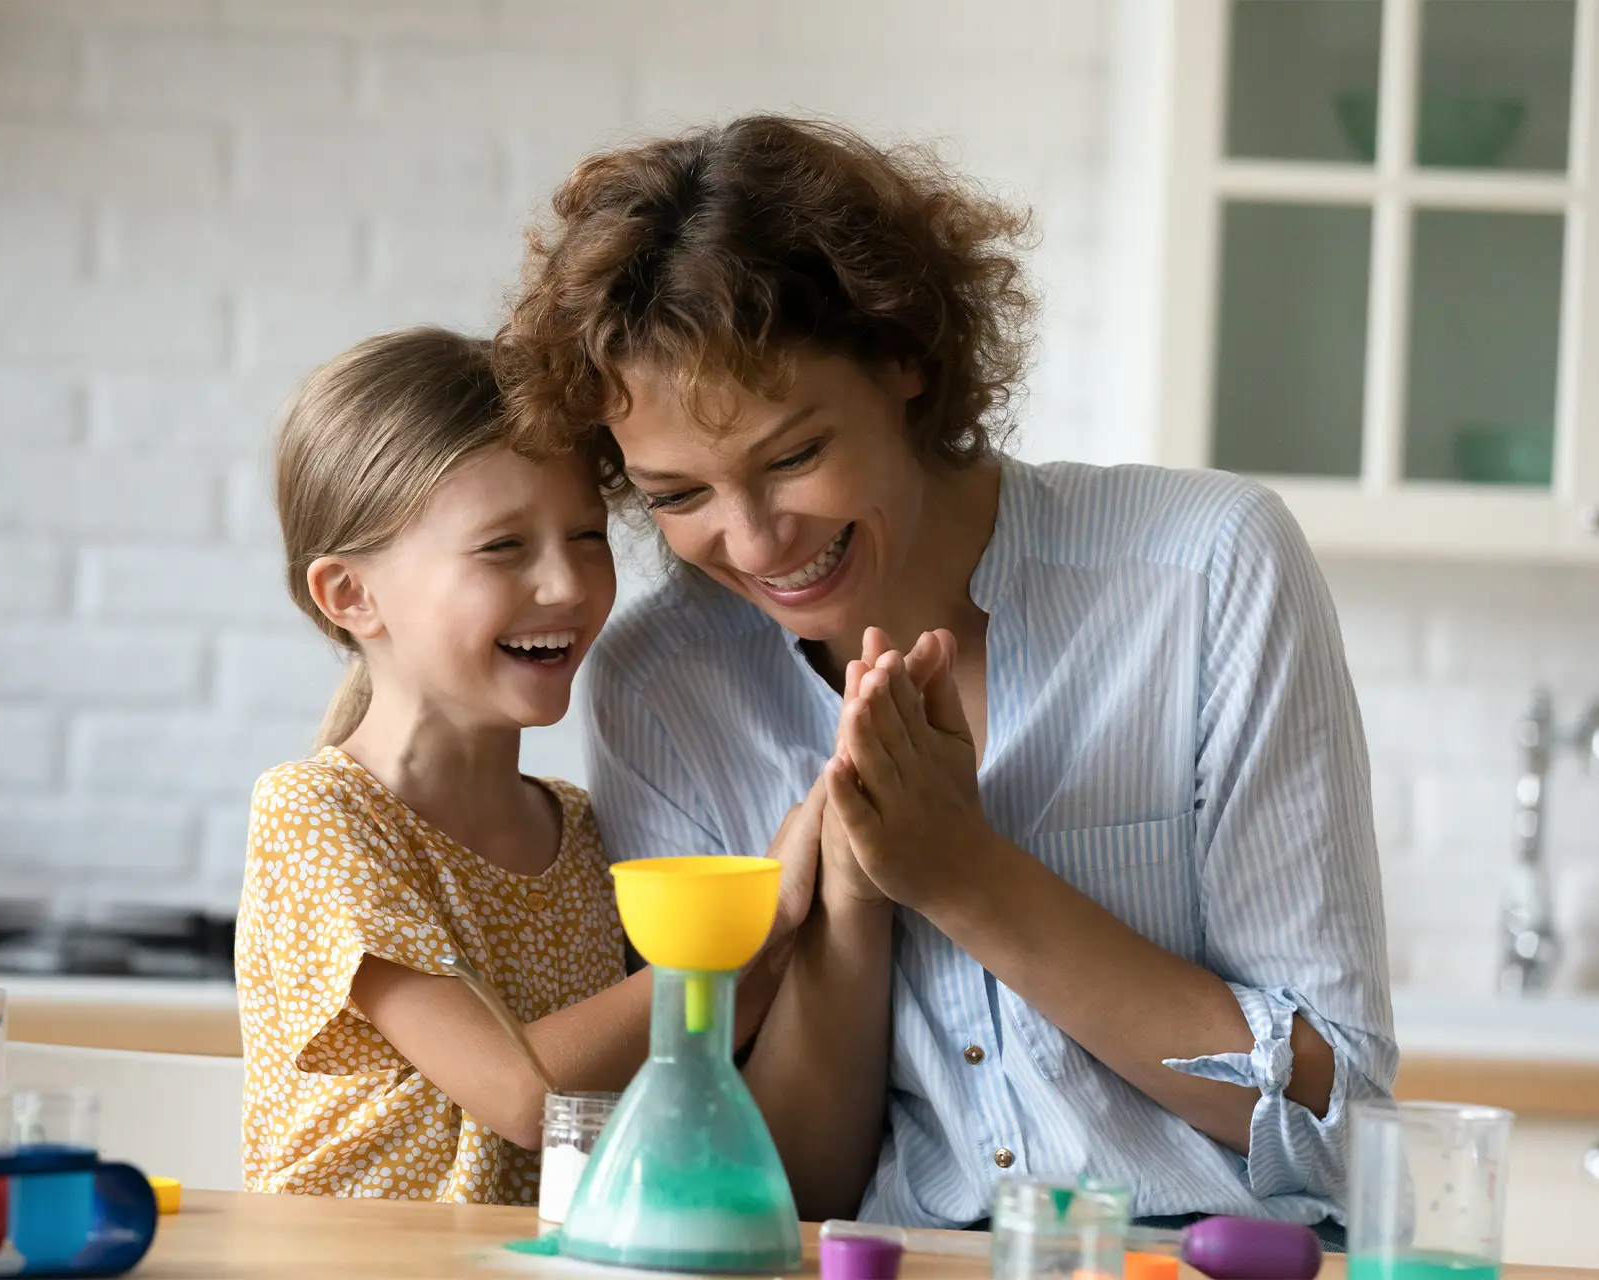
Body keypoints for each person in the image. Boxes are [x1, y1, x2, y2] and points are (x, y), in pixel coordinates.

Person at [494, 115, 1396, 1235]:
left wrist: (961, 871)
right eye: (678, 495)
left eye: (793, 456)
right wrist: (853, 904)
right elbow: (781, 1194)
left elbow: (1343, 1113)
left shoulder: (1204, 569)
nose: (757, 540)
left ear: (904, 355)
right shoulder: (665, 686)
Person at [234, 327, 816, 1200]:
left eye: (587, 536)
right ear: (350, 594)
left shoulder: (581, 829)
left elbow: (695, 1045)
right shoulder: (318, 815)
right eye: (504, 547)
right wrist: (755, 925)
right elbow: (523, 1093)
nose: (569, 586)